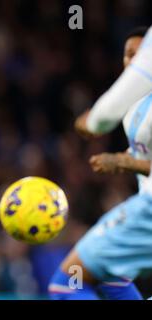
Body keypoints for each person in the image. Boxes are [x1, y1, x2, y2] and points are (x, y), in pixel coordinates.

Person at [49, 26, 152, 300]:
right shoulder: (136, 107)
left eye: (139, 55)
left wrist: (94, 123)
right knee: (109, 277)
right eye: (127, 54)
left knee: (69, 281)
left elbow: (102, 118)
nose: (133, 61)